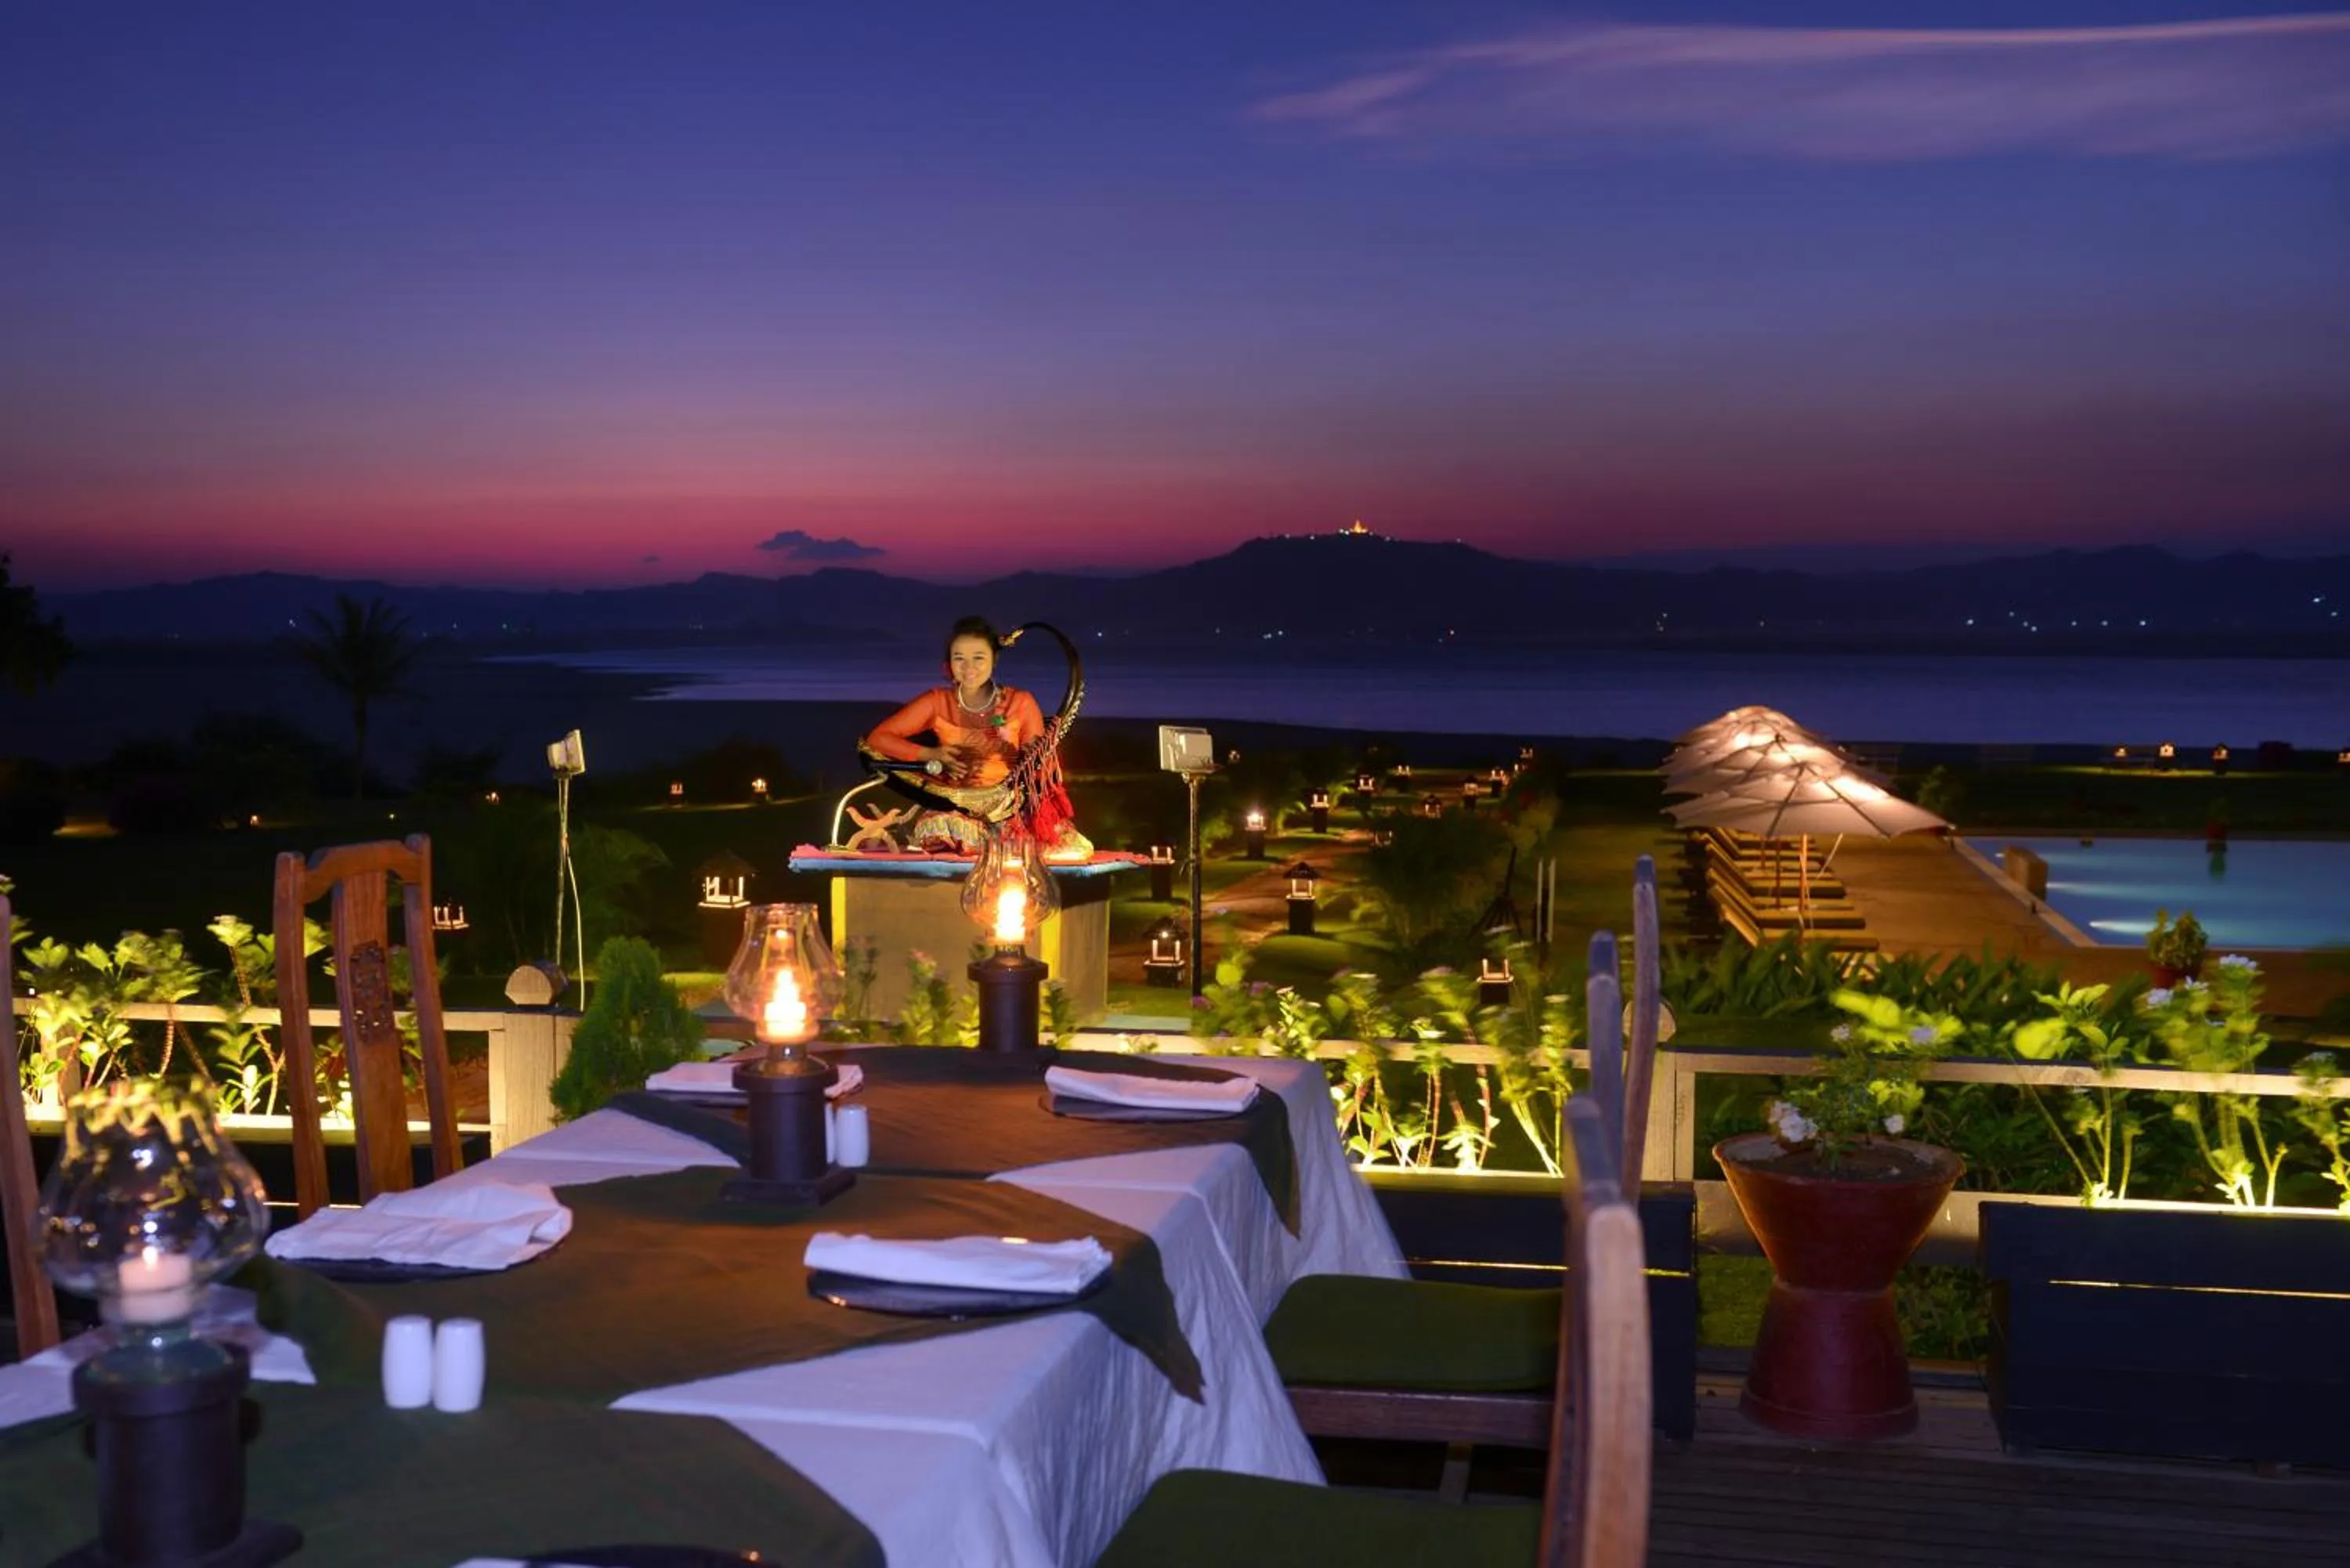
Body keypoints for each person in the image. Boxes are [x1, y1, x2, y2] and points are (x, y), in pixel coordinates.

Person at [862, 616, 1090, 858]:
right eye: (959, 658)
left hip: (1009, 806)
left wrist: (1029, 756)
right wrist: (931, 754)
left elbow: (1037, 768)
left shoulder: (1020, 702)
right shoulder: (936, 702)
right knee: (938, 828)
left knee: (1058, 844)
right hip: (959, 805)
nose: (968, 667)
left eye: (978, 658)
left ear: (994, 660)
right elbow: (879, 738)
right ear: (949, 664)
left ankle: (1003, 842)